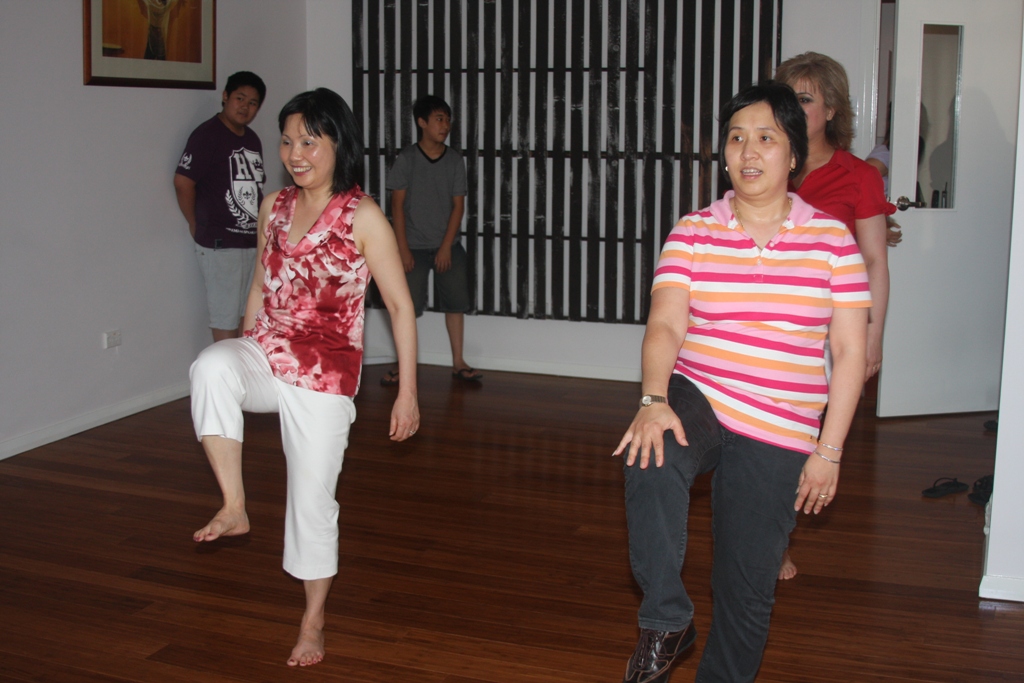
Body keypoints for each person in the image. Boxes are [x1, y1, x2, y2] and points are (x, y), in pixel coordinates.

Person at [614, 82, 870, 683]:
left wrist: (828, 451)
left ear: (793, 154)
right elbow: (665, 324)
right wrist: (653, 399)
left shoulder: (833, 241)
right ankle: (666, 621)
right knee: (650, 453)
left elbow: (850, 352)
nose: (748, 151)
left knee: (746, 591)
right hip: (700, 394)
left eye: (766, 138)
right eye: (736, 138)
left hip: (781, 423)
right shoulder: (693, 230)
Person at [189, 88, 420, 667]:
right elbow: (259, 285)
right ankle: (235, 505)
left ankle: (313, 620)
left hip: (325, 374)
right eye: (287, 141)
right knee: (210, 365)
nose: (295, 153)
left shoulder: (363, 216)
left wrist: (408, 393)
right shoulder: (273, 206)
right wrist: (245, 346)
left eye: (309, 142)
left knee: (312, 505)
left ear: (338, 144)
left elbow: (400, 307)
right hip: (268, 353)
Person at [775, 52, 896, 580]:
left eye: (805, 99)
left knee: (805, 441)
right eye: (787, 98)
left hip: (831, 329)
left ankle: (777, 537)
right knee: (767, 440)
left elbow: (874, 262)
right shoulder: (766, 162)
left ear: (831, 110)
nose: (793, 108)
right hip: (768, 323)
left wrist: (873, 336)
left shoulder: (859, 176)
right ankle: (771, 538)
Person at [380, 94, 481, 386]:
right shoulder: (407, 159)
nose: (445, 125)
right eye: (439, 119)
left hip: (448, 244)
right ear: (422, 122)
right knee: (405, 308)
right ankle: (403, 365)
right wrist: (402, 249)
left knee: (456, 304)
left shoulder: (454, 160)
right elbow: (397, 206)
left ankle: (459, 362)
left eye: (447, 120)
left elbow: (458, 206)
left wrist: (447, 246)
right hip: (412, 245)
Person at [175, 71, 267, 343]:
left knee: (247, 316)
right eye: (240, 98)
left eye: (253, 103)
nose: (245, 107)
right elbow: (183, 182)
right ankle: (226, 370)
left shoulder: (252, 139)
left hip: (251, 241)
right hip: (220, 243)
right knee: (225, 318)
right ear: (225, 96)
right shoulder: (207, 135)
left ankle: (242, 369)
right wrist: (194, 222)